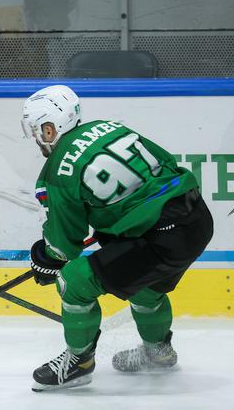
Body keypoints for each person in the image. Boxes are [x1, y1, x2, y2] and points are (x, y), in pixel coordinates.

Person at [20, 85, 213, 391]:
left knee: (73, 281)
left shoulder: (57, 170)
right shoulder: (109, 128)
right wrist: (116, 224)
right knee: (144, 286)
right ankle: (158, 352)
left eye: (36, 131)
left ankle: (78, 363)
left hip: (159, 238)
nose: (36, 139)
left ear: (49, 127)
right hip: (196, 220)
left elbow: (64, 245)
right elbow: (164, 166)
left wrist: (45, 258)